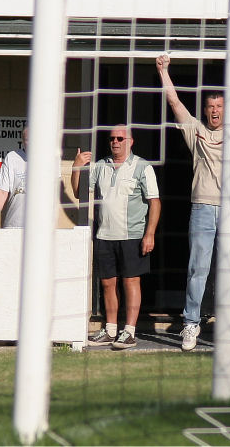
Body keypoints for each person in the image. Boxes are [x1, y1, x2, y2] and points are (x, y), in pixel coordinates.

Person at [156, 54, 230, 351]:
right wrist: (163, 71)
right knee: (197, 268)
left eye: (219, 106)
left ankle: (227, 326)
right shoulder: (196, 130)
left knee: (228, 270)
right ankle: (190, 324)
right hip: (202, 207)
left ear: (226, 109)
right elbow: (175, 104)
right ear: (204, 110)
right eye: (210, 106)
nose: (214, 111)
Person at [71, 125, 161, 350]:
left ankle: (129, 331)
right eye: (112, 138)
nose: (115, 142)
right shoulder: (100, 166)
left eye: (120, 138)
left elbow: (155, 202)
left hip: (132, 235)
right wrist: (76, 167)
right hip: (104, 235)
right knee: (108, 283)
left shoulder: (142, 167)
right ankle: (111, 329)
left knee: (131, 281)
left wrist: (149, 234)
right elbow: (77, 192)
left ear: (130, 141)